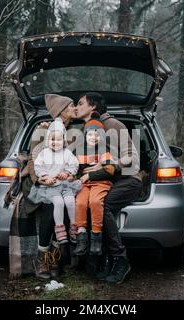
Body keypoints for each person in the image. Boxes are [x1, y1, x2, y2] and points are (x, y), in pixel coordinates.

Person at [75, 92, 142, 284]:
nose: (77, 107)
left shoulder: (114, 125)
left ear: (93, 107)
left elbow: (133, 160)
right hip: (99, 181)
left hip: (127, 180)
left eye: (80, 103)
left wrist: (108, 165)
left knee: (102, 205)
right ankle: (98, 258)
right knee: (87, 202)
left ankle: (120, 260)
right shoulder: (82, 130)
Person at [21, 94, 78, 280]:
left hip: (64, 182)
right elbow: (32, 160)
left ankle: (57, 258)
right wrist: (41, 179)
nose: (75, 108)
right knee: (52, 206)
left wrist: (70, 175)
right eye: (71, 106)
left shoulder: (71, 129)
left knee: (67, 202)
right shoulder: (43, 130)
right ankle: (43, 258)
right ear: (62, 111)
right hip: (41, 182)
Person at [27, 118, 81, 244]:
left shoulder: (67, 153)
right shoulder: (43, 153)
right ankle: (60, 229)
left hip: (65, 185)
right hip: (51, 187)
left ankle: (74, 226)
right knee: (59, 203)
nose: (55, 142)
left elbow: (74, 164)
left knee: (70, 201)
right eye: (52, 139)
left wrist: (67, 172)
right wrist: (45, 177)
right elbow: (38, 167)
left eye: (58, 139)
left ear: (63, 141)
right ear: (47, 140)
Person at [73, 112, 116, 256]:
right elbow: (73, 169)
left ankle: (96, 238)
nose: (94, 137)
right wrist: (72, 176)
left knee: (95, 202)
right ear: (85, 135)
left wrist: (89, 175)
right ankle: (81, 237)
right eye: (90, 134)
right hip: (84, 184)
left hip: (101, 183)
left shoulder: (104, 150)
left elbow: (109, 171)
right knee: (80, 203)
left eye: (97, 135)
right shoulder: (78, 151)